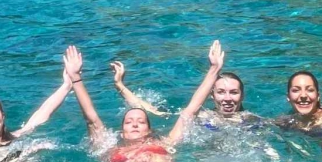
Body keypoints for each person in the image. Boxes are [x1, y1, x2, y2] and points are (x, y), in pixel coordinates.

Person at [67, 43, 224, 162]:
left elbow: (191, 110)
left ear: (149, 130)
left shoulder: (165, 142)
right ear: (121, 132)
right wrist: (75, 77)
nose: (135, 124)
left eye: (141, 122)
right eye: (129, 122)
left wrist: (214, 69)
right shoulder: (108, 147)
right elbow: (91, 119)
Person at [111, 54, 261, 128]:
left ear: (242, 96)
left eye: (233, 92)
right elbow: (152, 112)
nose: (227, 98)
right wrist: (120, 85)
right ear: (212, 95)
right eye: (221, 92)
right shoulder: (201, 116)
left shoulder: (253, 121)